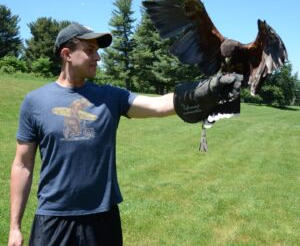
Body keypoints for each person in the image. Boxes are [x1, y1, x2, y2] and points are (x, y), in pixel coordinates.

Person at [8, 22, 242, 246]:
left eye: (98, 51)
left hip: (102, 217)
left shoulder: (111, 97)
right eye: (90, 51)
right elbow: (22, 166)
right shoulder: (35, 102)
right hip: (53, 218)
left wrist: (208, 89)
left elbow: (158, 106)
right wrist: (14, 227)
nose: (98, 57)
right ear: (67, 54)